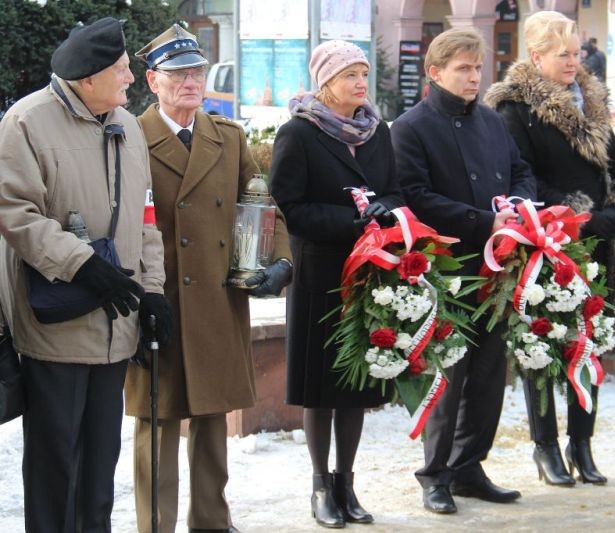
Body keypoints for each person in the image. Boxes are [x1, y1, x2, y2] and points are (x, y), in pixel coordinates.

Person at [0, 18, 169, 531]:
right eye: (121, 71)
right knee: (56, 469)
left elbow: (145, 216)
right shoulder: (25, 122)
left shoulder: (126, 125)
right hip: (56, 325)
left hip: (116, 326)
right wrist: (82, 264)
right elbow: (15, 213)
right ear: (88, 78)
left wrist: (154, 294)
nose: (131, 80)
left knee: (100, 470)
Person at [123, 25, 293, 533]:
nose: (190, 82)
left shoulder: (228, 136)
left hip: (219, 301)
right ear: (153, 81)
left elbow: (262, 205)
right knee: (158, 424)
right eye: (178, 74)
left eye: (196, 72)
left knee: (213, 418)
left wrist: (280, 261)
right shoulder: (130, 137)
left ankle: (212, 523)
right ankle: (156, 526)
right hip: (162, 299)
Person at [485, 10, 615, 487]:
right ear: (536, 56)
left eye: (577, 53)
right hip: (551, 240)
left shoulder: (593, 98)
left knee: (590, 340)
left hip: (600, 240)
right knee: (545, 338)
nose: (573, 62)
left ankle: (583, 444)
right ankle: (546, 448)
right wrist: (574, 213)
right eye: (562, 54)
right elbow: (523, 174)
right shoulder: (514, 107)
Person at [391, 28, 536, 514]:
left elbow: (521, 170)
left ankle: (470, 465)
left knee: (490, 372)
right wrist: (482, 221)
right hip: (448, 267)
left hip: (497, 266)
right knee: (448, 374)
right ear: (435, 73)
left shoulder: (493, 122)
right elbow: (415, 195)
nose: (475, 76)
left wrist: (518, 207)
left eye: (478, 68)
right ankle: (435, 474)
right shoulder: (411, 127)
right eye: (463, 68)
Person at [270, 40, 403, 528]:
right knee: (321, 388)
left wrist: (384, 212)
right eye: (350, 75)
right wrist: (353, 220)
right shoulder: (298, 134)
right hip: (321, 275)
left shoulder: (376, 131)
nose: (360, 84)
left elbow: (395, 186)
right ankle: (320, 486)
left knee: (357, 386)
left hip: (370, 274)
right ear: (326, 81)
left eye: (363, 74)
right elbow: (292, 206)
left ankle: (347, 483)